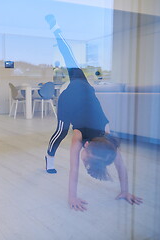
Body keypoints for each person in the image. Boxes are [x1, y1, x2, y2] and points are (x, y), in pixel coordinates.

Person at [44, 14, 143, 211]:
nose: (83, 158)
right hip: (69, 95)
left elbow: (121, 167)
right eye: (86, 156)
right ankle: (56, 30)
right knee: (61, 131)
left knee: (66, 129)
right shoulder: (80, 137)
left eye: (86, 159)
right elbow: (74, 170)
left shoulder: (107, 146)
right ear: (87, 145)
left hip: (82, 96)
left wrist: (125, 191)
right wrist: (72, 197)